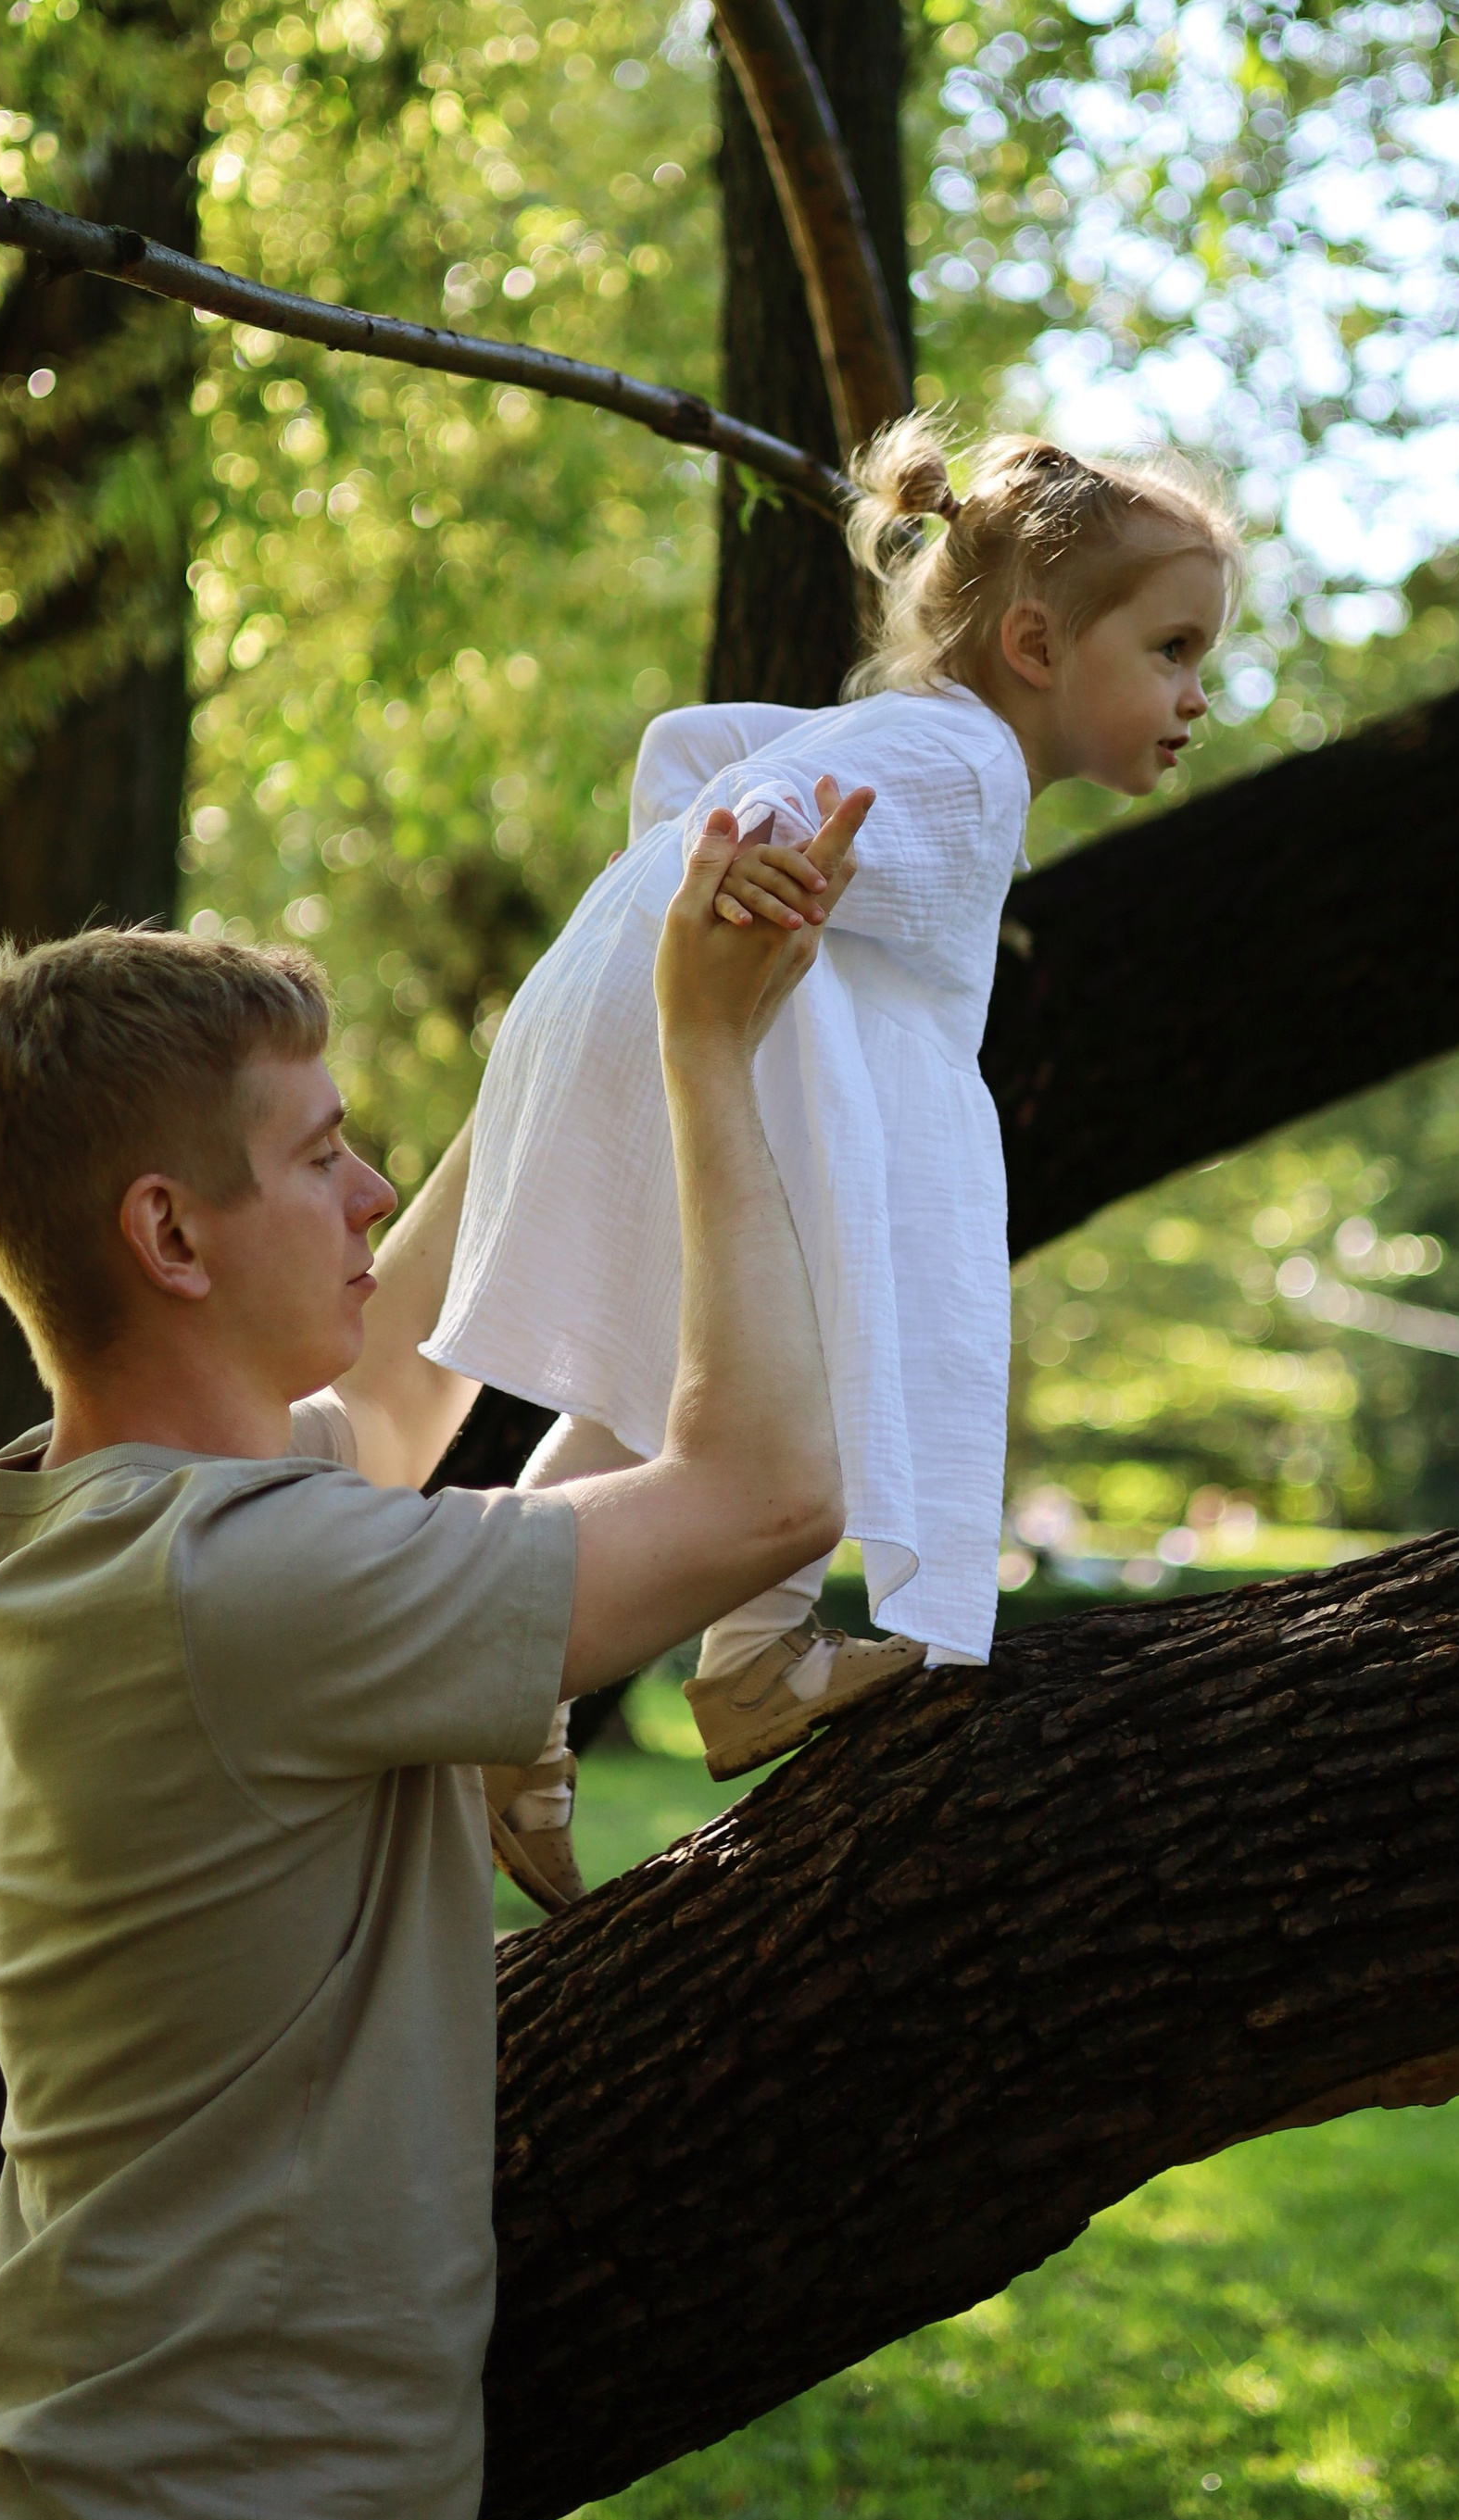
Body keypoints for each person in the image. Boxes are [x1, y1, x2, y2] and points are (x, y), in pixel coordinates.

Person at [0, 779, 869, 2520]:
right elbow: (768, 1495)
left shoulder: (69, 1525)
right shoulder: (248, 1588)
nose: (368, 1194)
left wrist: (615, 957)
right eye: (323, 1156)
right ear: (168, 1229)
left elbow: (417, 1342)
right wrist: (699, 1050)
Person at [423, 417, 1242, 1909]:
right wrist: (758, 859)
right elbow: (756, 802)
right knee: (833, 1321)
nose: (1200, 697)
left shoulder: (926, 743)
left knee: (666, 1381)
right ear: (1040, 641)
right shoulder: (963, 759)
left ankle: (539, 1684)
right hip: (714, 1027)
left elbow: (694, 750)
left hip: (668, 1012)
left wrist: (738, 850)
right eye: (1175, 650)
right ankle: (734, 1657)